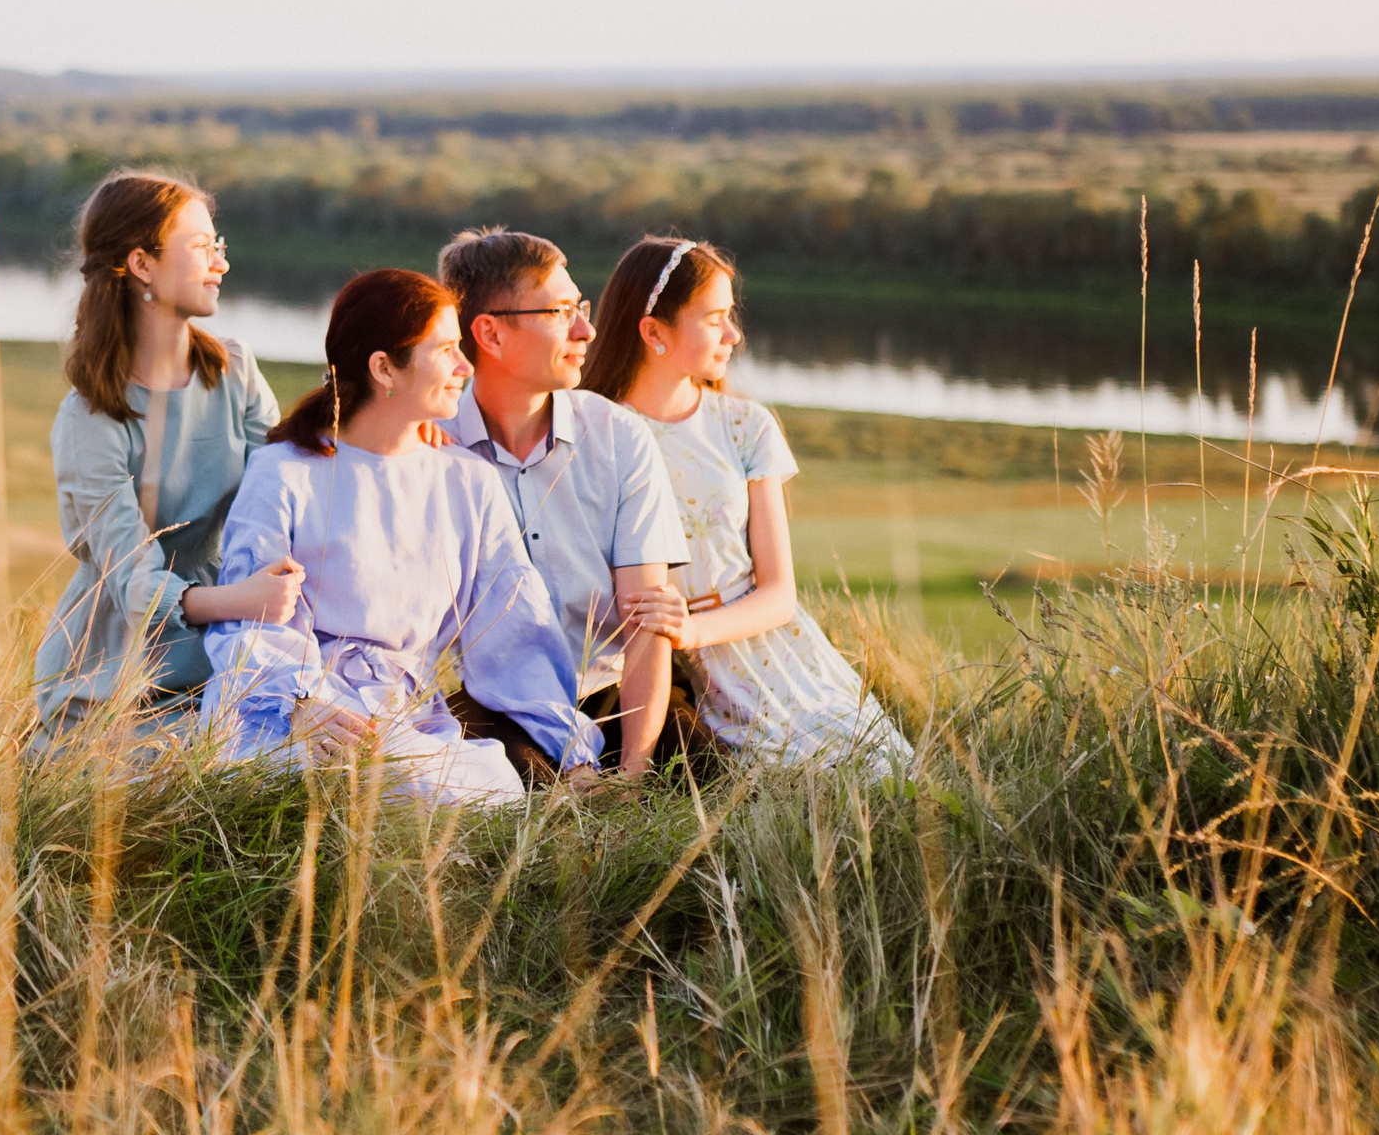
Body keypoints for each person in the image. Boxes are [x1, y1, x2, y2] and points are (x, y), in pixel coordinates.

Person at [200, 269, 599, 806]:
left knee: (490, 793)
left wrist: (574, 754)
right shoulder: (284, 471)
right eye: (446, 351)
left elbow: (515, 634)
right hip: (285, 711)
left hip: (400, 719)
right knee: (317, 784)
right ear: (384, 367)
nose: (465, 367)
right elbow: (249, 622)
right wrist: (302, 703)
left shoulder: (466, 480)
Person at [581, 238, 914, 771]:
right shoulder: (595, 431)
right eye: (714, 318)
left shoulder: (743, 426)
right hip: (659, 667)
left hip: (776, 650)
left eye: (730, 315)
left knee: (879, 772)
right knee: (781, 784)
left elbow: (779, 594)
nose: (734, 334)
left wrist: (691, 630)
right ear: (653, 332)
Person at [34, 170, 306, 752]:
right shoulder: (90, 420)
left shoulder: (235, 371)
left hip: (226, 666)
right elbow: (132, 583)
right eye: (203, 247)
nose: (221, 263)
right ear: (142, 264)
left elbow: (286, 485)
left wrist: (397, 433)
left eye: (219, 245)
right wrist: (241, 602)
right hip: (110, 687)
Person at [434, 228, 693, 781]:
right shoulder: (432, 448)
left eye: (581, 306)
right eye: (560, 312)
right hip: (497, 703)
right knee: (504, 787)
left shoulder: (619, 437)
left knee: (699, 777)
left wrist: (631, 776)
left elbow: (647, 621)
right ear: (491, 334)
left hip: (616, 692)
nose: (587, 329)